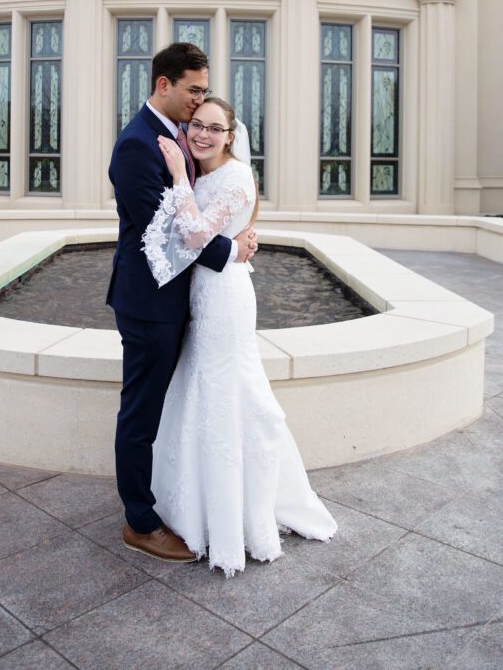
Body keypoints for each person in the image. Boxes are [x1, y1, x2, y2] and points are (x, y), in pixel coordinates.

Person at [142, 97, 338, 576]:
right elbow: (208, 237)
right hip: (203, 294)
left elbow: (193, 236)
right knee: (204, 391)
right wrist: (232, 238)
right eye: (196, 125)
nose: (202, 134)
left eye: (214, 128)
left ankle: (237, 518)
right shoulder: (206, 174)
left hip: (225, 299)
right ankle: (200, 505)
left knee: (228, 392)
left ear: (232, 135)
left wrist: (181, 180)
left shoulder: (232, 176)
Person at [107, 42, 257, 563]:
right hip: (149, 304)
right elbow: (167, 231)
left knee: (168, 409)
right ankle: (139, 522)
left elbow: (203, 207)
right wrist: (232, 250)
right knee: (140, 414)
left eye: (204, 92)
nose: (200, 103)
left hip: (183, 300)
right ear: (163, 85)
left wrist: (237, 234)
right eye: (193, 90)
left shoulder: (176, 139)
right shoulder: (136, 146)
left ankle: (172, 500)